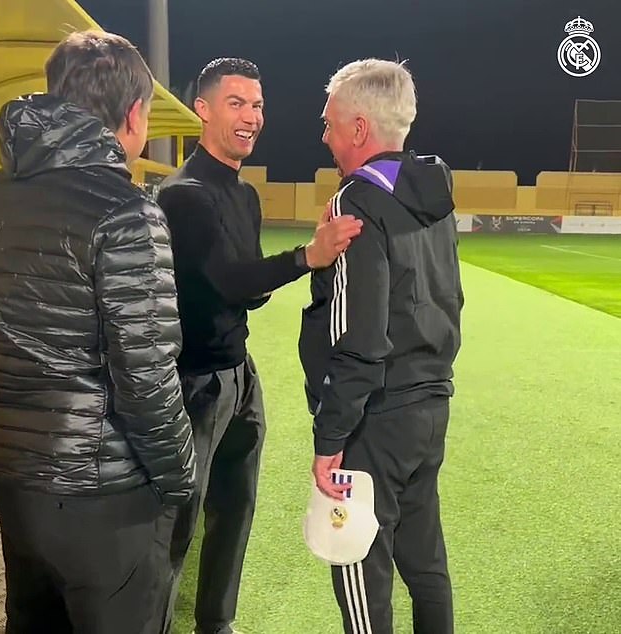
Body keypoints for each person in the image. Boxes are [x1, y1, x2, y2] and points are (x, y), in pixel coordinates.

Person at [0, 30, 196, 634]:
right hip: (103, 495)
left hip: (14, 484)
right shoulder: (125, 209)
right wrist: (180, 479)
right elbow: (146, 374)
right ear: (134, 116)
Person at [156, 57, 362, 634]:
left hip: (238, 374)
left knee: (235, 508)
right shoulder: (184, 195)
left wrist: (262, 278)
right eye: (237, 103)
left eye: (258, 105)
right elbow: (228, 280)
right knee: (180, 520)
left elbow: (246, 293)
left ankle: (215, 623)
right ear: (203, 109)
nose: (252, 117)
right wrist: (307, 258)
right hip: (191, 382)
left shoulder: (243, 197)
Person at [299, 58, 463, 634]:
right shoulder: (434, 193)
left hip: (376, 414)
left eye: (329, 123)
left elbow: (360, 339)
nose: (324, 135)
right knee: (425, 563)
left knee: (359, 568)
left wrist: (331, 436)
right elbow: (451, 300)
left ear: (359, 129)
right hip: (429, 404)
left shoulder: (358, 203)